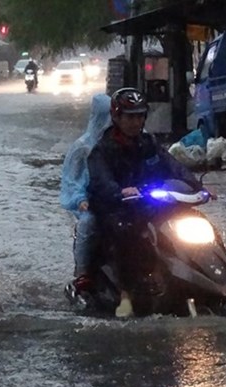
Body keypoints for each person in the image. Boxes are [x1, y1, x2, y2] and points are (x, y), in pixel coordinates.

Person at [86, 87, 204, 317]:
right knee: (128, 231)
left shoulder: (149, 143)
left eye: (140, 116)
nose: (136, 122)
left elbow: (173, 166)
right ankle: (128, 290)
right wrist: (120, 192)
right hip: (118, 209)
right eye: (130, 117)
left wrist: (198, 186)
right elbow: (101, 181)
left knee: (186, 220)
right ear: (117, 117)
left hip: (149, 203)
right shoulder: (102, 150)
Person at [61, 94, 111, 301]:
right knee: (88, 223)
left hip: (122, 199)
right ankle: (83, 274)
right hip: (93, 201)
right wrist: (80, 199)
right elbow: (71, 180)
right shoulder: (83, 147)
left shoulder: (133, 141)